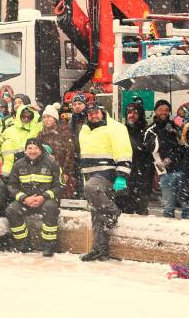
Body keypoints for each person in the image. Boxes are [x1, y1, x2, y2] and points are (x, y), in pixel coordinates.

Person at [78, 103, 132, 261]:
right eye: (90, 113)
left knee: (93, 191)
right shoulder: (84, 130)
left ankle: (112, 212)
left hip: (108, 173)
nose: (93, 115)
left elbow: (124, 150)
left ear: (103, 112)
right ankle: (99, 249)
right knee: (96, 213)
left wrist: (122, 174)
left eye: (96, 112)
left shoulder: (116, 128)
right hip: (90, 174)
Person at [6, 139, 62, 256]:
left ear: (41, 150)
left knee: (51, 208)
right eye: (29, 148)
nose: (32, 151)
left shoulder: (52, 163)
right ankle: (23, 244)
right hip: (26, 201)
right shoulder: (18, 164)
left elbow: (59, 186)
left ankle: (48, 246)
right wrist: (24, 199)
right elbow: (12, 186)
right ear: (25, 150)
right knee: (12, 210)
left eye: (36, 148)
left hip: (46, 201)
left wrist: (43, 196)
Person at [144, 100, 189, 218]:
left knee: (187, 207)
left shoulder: (176, 125)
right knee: (168, 208)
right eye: (160, 109)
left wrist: (178, 130)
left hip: (182, 170)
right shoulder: (151, 129)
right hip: (166, 173)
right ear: (155, 111)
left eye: (166, 110)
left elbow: (185, 145)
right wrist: (164, 132)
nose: (163, 112)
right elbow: (151, 147)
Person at [116, 101, 150, 215]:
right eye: (129, 112)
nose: (132, 115)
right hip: (126, 173)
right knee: (124, 207)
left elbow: (150, 154)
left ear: (140, 114)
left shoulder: (147, 131)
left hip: (143, 175)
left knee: (141, 209)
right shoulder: (121, 130)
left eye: (135, 112)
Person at [37, 103, 76, 199]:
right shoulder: (40, 134)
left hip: (62, 169)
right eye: (44, 117)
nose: (46, 119)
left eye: (49, 117)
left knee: (64, 195)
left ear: (55, 118)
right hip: (46, 171)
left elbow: (69, 153)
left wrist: (66, 172)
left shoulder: (64, 132)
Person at [0, 104, 43, 176]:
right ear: (19, 116)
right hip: (12, 166)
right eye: (23, 116)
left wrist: (40, 111)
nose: (26, 119)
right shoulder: (9, 130)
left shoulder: (35, 128)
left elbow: (46, 123)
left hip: (30, 165)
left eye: (29, 117)